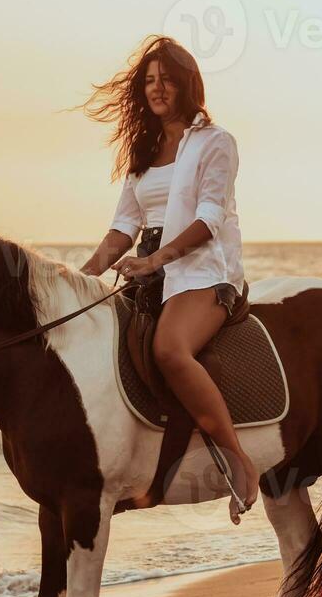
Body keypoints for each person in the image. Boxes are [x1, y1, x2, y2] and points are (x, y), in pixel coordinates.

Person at [81, 36, 261, 523]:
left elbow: (210, 218)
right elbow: (123, 226)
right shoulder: (143, 150)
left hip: (205, 271)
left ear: (186, 84)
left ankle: (236, 460)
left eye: (166, 80)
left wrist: (157, 260)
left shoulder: (215, 142)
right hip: (152, 271)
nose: (156, 89)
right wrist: (83, 276)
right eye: (149, 81)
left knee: (168, 350)